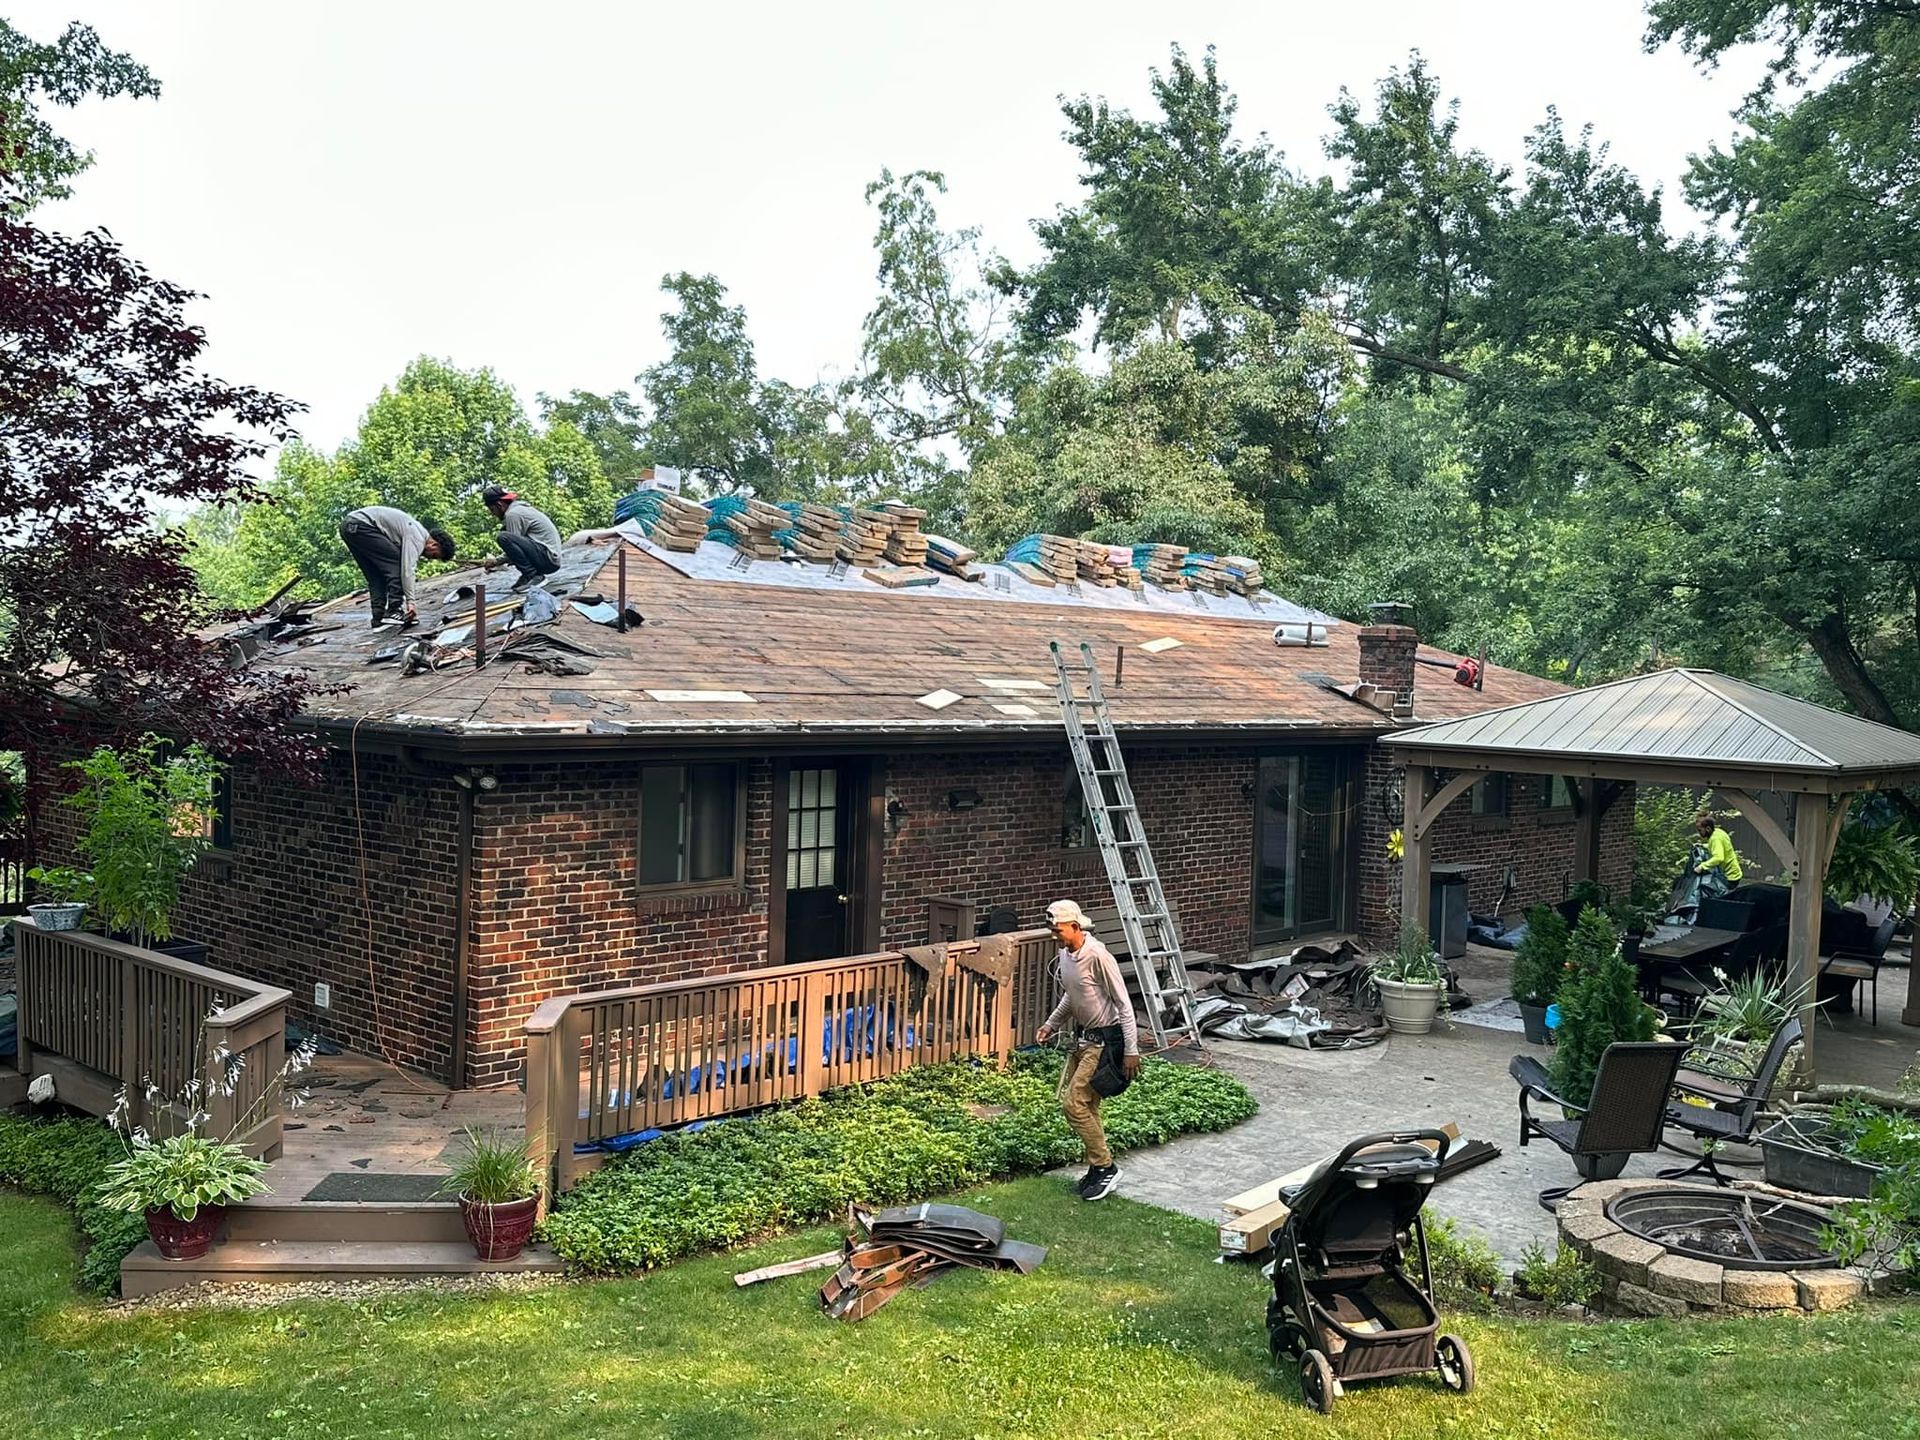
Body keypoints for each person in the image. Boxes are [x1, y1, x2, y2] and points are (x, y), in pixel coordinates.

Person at [1034, 899, 1139, 1201]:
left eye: (1058, 930)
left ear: (1076, 927)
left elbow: (1123, 1004)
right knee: (1088, 1106)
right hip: (1082, 1039)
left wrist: (1130, 1049)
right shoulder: (1066, 955)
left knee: (1074, 1104)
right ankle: (1098, 1168)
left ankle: (1106, 1167)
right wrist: (1051, 1024)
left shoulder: (1098, 956)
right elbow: (1073, 994)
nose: (1054, 936)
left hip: (1104, 1041)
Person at [337, 505, 455, 627]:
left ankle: (378, 617)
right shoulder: (418, 537)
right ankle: (394, 610)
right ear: (434, 545)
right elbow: (407, 570)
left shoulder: (414, 530)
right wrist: (411, 602)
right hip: (362, 525)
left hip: (349, 526)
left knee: (376, 575)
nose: (429, 558)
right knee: (398, 564)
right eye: (434, 555)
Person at [481, 485, 563, 591]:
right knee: (505, 532)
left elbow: (512, 547)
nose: (493, 514)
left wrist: (496, 562)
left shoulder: (512, 514)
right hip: (548, 557)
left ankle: (532, 575)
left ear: (499, 505)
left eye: (492, 510)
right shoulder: (519, 509)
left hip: (548, 558)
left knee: (503, 537)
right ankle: (529, 575)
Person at [1694, 813, 1744, 888]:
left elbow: (1718, 858)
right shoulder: (1718, 832)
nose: (1699, 833)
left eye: (1700, 830)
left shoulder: (1715, 839)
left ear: (1708, 829)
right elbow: (1717, 847)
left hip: (1729, 877)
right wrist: (1703, 846)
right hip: (1734, 873)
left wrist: (1702, 866)